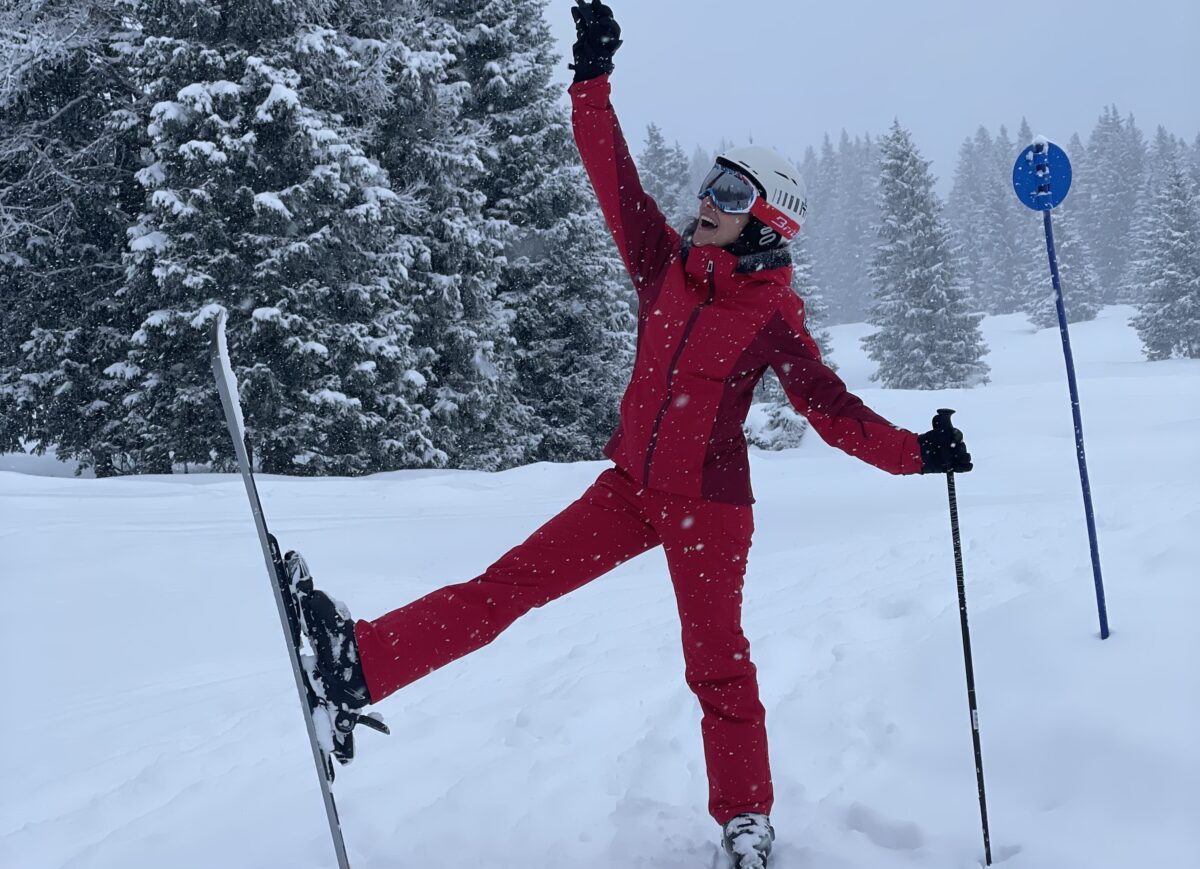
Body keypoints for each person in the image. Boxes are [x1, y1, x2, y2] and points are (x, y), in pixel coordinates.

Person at [299, 3, 973, 867]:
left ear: (768, 221)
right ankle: (359, 667)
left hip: (711, 511)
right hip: (628, 489)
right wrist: (592, 81)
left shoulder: (772, 316)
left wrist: (918, 452)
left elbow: (832, 410)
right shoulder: (666, 265)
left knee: (718, 667)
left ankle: (746, 819)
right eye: (710, 182)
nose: (706, 201)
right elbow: (613, 177)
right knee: (503, 587)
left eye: (730, 194)